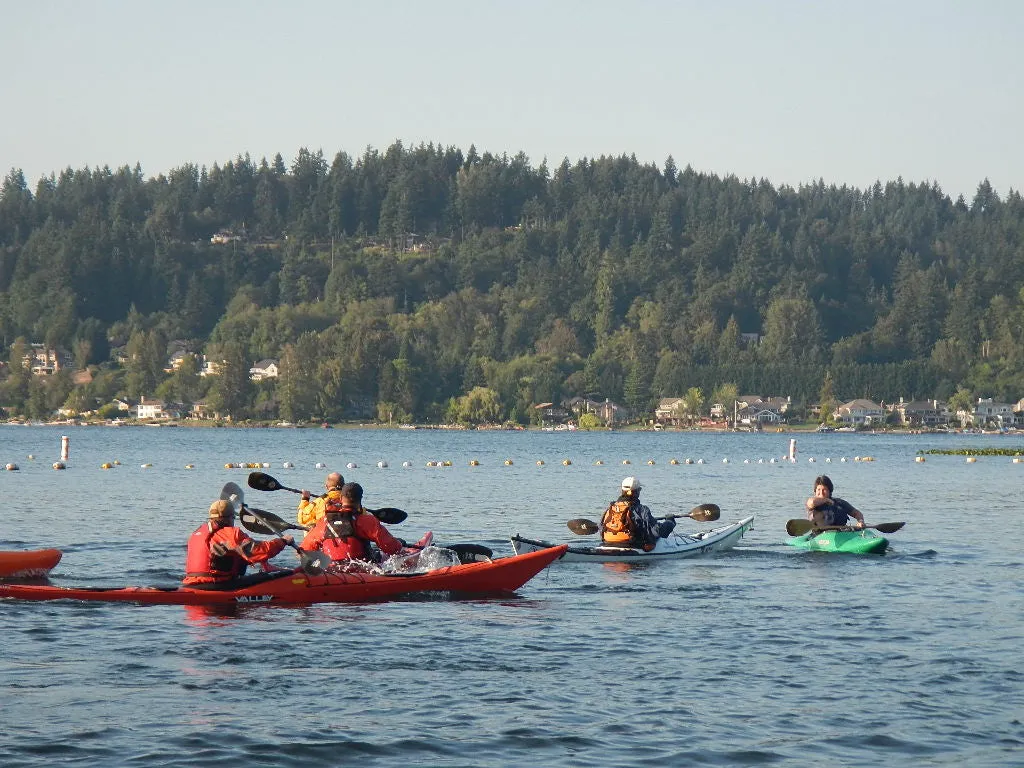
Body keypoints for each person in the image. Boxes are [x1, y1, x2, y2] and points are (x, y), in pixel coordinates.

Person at [184, 499, 293, 585]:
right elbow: (258, 551)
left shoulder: (196, 533)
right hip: (218, 584)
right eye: (233, 518)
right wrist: (282, 542)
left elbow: (220, 552)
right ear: (228, 518)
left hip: (191, 582)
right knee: (266, 578)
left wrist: (245, 561)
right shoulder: (232, 533)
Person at [301, 482, 403, 563]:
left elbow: (304, 552)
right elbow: (393, 549)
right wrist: (400, 544)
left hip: (331, 572)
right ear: (360, 499)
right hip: (362, 571)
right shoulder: (367, 521)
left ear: (341, 499)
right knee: (382, 555)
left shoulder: (324, 522)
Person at [599, 476, 676, 550]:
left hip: (607, 543)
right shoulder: (641, 510)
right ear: (636, 492)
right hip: (632, 545)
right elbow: (659, 531)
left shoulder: (610, 509)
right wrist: (669, 521)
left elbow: (601, 528)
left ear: (622, 491)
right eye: (639, 490)